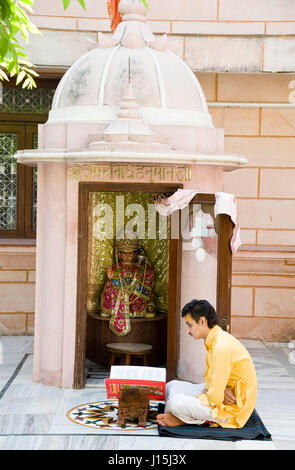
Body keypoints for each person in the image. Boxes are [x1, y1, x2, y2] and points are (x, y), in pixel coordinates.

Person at [156, 299, 257, 429]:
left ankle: (186, 419)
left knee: (174, 404)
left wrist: (215, 391)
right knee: (171, 386)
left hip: (232, 408)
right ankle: (184, 416)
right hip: (220, 395)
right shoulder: (214, 339)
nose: (188, 330)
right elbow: (211, 384)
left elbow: (215, 399)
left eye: (190, 325)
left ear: (202, 321)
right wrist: (218, 389)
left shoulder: (221, 347)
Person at [101, 237, 154, 336]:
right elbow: (112, 280)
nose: (127, 256)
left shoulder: (140, 267)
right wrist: (111, 277)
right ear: (120, 254)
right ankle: (111, 309)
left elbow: (146, 278)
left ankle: (133, 310)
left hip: (133, 293)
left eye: (130, 253)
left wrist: (135, 281)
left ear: (135, 254)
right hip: (119, 291)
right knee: (109, 285)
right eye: (124, 253)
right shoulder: (115, 267)